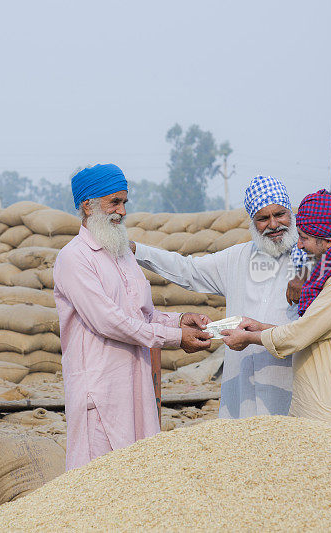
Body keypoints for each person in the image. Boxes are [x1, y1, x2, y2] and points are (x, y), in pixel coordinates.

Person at [132, 176, 331, 419]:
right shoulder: (237, 258)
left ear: (291, 214)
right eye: (263, 218)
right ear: (253, 223)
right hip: (243, 389)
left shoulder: (314, 251)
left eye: (280, 214)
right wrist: (137, 250)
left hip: (293, 388)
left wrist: (309, 273)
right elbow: (187, 270)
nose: (273, 225)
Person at [54, 163, 212, 470]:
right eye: (114, 202)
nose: (122, 211)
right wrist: (176, 338)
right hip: (99, 391)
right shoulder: (73, 258)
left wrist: (179, 320)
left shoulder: (123, 253)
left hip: (136, 386)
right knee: (97, 481)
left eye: (125, 202)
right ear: (88, 205)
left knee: (137, 476)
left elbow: (143, 314)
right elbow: (109, 321)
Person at [221, 190, 331, 429]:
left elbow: (301, 334)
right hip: (317, 407)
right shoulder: (330, 271)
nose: (300, 244)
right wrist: (261, 327)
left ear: (326, 238)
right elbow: (316, 332)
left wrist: (252, 337)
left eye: (304, 238)